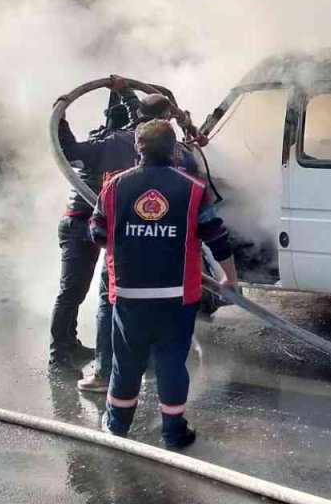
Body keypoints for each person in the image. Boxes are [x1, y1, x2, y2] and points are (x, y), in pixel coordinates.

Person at [89, 120, 239, 449]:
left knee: (126, 362)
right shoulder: (193, 188)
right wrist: (230, 277)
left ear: (137, 149)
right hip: (177, 295)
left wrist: (131, 237)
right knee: (172, 361)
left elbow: (98, 234)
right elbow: (217, 237)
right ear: (174, 150)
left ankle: (116, 428)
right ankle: (173, 432)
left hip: (129, 294)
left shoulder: (113, 186)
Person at [53, 76, 201, 387]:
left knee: (113, 297)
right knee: (79, 292)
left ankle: (110, 366)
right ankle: (63, 352)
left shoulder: (131, 143)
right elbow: (68, 150)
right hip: (86, 224)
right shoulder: (128, 144)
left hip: (110, 230)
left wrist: (64, 112)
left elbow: (142, 115)